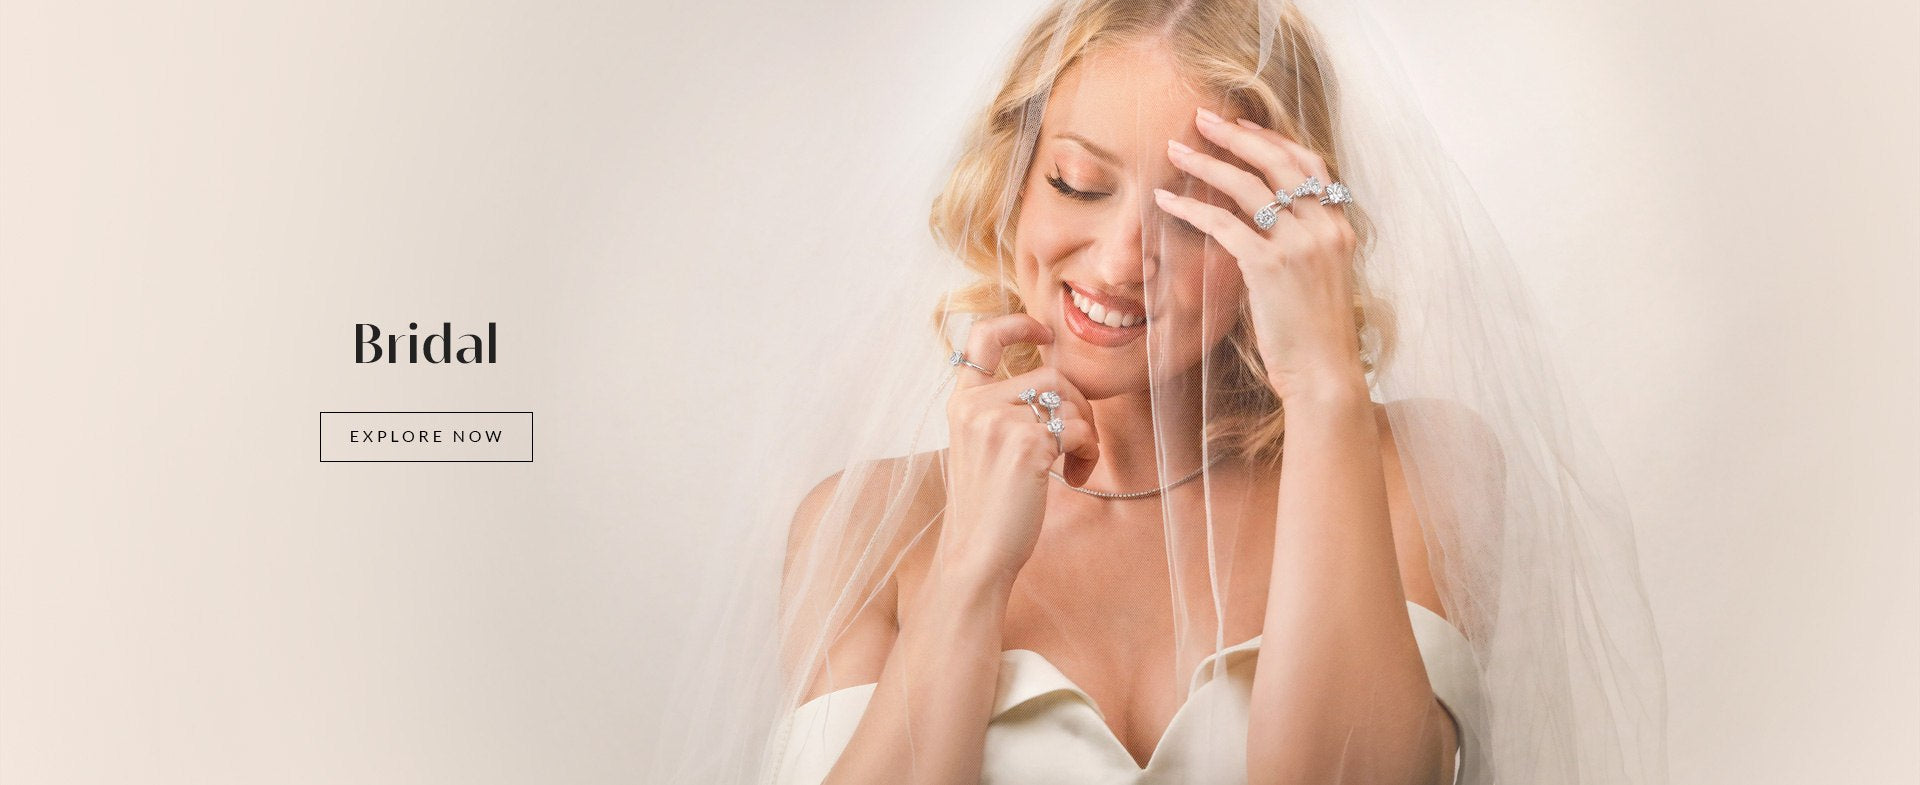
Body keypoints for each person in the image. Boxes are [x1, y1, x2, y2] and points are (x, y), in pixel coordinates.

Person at [655, 1, 1668, 783]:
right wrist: (970, 565)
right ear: (1013, 180)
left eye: (1195, 215)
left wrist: (1322, 387)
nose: (1116, 259)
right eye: (1079, 184)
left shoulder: (1418, 468)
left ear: (1283, 233)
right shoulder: (867, 522)